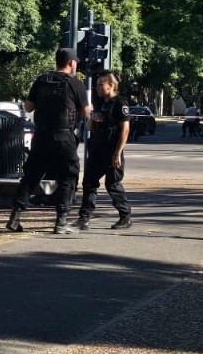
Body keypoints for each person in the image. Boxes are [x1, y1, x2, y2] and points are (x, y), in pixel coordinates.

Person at [7, 48, 89, 234]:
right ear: (71, 63)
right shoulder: (75, 84)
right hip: (64, 137)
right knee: (68, 176)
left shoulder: (41, 80)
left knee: (31, 177)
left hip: (42, 136)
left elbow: (28, 107)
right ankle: (61, 221)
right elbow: (85, 112)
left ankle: (15, 216)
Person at [75, 72, 133, 230]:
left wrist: (117, 153)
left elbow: (125, 130)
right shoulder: (99, 102)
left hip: (112, 150)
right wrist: (92, 119)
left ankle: (125, 216)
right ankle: (84, 218)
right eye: (97, 85)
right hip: (96, 150)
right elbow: (89, 126)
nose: (97, 88)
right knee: (89, 183)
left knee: (113, 184)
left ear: (111, 85)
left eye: (101, 84)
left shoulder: (120, 103)